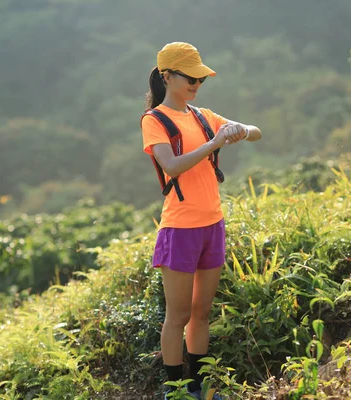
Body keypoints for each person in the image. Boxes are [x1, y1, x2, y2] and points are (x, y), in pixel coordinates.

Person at [141, 42, 261, 399]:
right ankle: (174, 389)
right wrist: (214, 144)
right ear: (167, 77)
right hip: (180, 229)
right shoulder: (155, 120)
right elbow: (172, 166)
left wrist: (240, 129)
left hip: (212, 224)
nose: (196, 83)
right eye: (190, 77)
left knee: (202, 313)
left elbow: (255, 131)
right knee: (177, 316)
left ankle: (198, 387)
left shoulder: (202, 115)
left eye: (200, 78)